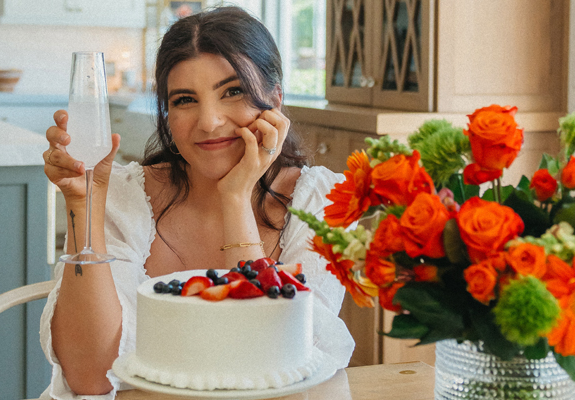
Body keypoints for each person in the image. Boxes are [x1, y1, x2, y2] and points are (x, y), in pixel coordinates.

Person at [39, 6, 354, 399]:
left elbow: (270, 364)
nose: (208, 122)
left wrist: (235, 197)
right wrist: (82, 206)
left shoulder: (320, 204)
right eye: (185, 99)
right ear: (167, 112)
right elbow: (90, 379)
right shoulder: (123, 196)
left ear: (275, 97)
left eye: (233, 91)